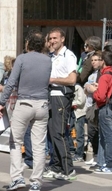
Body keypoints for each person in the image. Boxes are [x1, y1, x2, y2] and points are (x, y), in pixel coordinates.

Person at [0, 30, 52, 191]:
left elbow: (11, 82)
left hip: (24, 102)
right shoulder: (48, 61)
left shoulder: (22, 58)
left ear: (28, 44)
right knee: (39, 145)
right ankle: (36, 182)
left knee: (16, 142)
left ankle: (18, 178)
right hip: (42, 104)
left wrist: (1, 103)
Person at [43, 27, 77, 180]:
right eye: (50, 39)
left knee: (60, 133)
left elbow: (72, 80)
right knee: (52, 133)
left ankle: (68, 169)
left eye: (55, 38)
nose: (52, 41)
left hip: (61, 97)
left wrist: (52, 80)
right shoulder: (52, 56)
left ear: (62, 39)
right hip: (51, 96)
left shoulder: (68, 56)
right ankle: (56, 167)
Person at [91, 50, 112, 174]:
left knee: (108, 137)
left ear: (103, 61)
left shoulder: (104, 76)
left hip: (105, 108)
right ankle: (107, 163)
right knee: (109, 136)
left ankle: (109, 165)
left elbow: (101, 97)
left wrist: (93, 90)